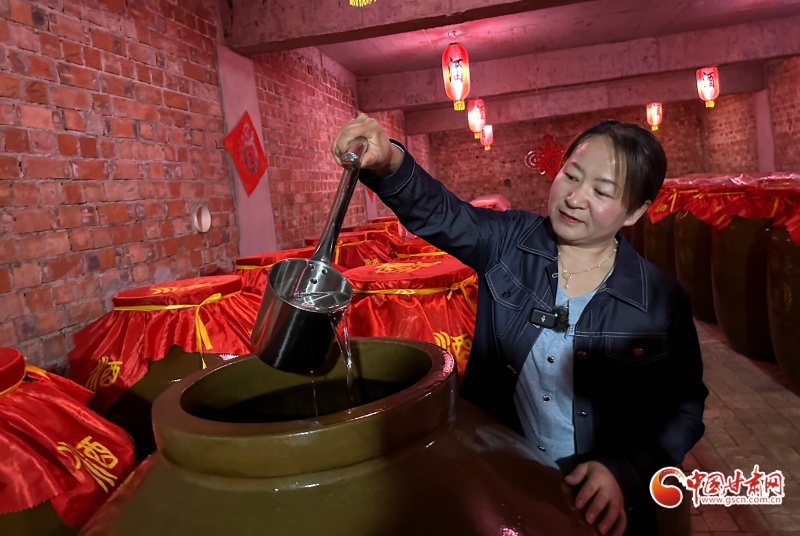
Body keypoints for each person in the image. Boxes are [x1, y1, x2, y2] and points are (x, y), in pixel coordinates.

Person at [331, 114, 707, 536]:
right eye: (571, 176)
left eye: (601, 191)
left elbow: (683, 410)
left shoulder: (660, 299)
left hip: (598, 507)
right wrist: (389, 163)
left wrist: (624, 472)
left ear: (635, 211)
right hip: (503, 483)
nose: (575, 198)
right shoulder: (509, 242)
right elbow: (441, 212)